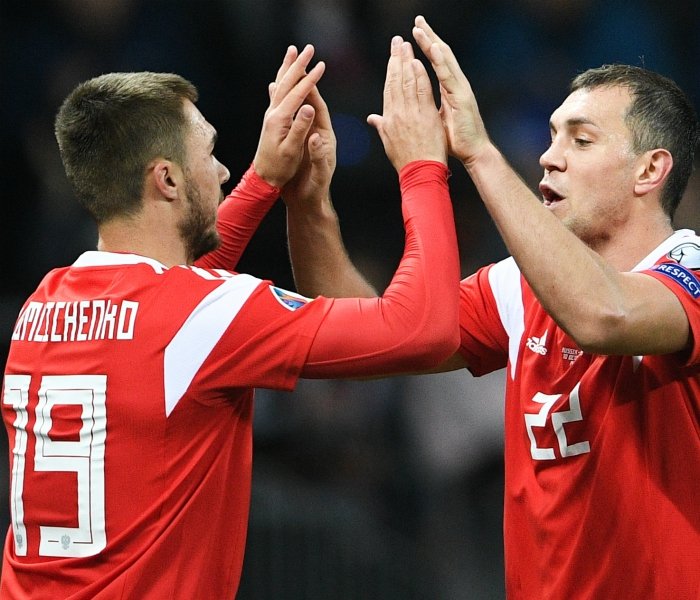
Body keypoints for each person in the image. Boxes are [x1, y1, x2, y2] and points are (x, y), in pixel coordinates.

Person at [233, 17, 700, 600]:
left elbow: (605, 317)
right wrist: (309, 205)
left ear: (650, 170)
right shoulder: (519, 287)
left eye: (580, 141)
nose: (549, 158)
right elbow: (373, 339)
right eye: (552, 137)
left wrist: (476, 152)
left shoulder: (689, 270)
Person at [0, 38, 460, 599]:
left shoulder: (42, 305)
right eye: (211, 152)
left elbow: (173, 310)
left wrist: (264, 178)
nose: (222, 171)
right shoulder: (199, 315)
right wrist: (421, 168)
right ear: (167, 180)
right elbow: (423, 329)